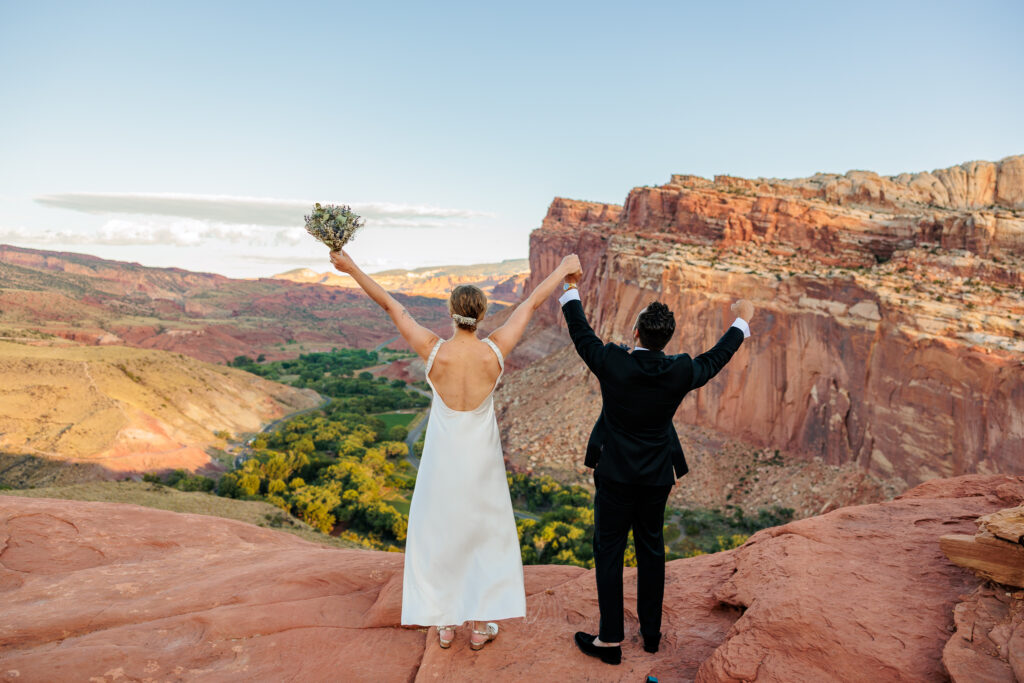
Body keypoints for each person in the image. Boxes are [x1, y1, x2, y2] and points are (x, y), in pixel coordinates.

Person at [329, 249, 583, 651]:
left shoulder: (433, 351)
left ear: (452, 313)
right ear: (482, 315)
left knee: (440, 535)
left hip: (442, 463)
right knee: (484, 536)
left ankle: (445, 624)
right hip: (481, 463)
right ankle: (481, 627)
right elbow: (533, 301)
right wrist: (565, 267)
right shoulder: (495, 351)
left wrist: (350, 266)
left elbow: (389, 305)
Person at [558, 268, 753, 665]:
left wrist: (571, 288)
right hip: (656, 478)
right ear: (667, 338)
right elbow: (716, 359)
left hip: (614, 476)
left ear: (636, 333)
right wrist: (742, 320)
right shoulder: (679, 370)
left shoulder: (613, 361)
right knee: (651, 550)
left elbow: (581, 334)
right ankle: (650, 636)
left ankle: (609, 640)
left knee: (609, 552)